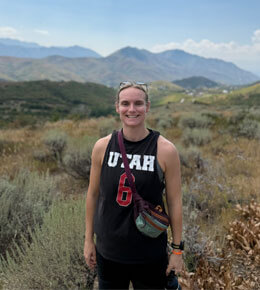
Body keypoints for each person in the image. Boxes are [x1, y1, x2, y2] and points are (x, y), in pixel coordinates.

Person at [84, 81, 183, 289]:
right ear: (117, 107)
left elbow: (175, 202)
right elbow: (93, 195)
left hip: (149, 256)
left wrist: (176, 251)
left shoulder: (165, 150)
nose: (131, 109)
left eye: (138, 103)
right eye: (125, 103)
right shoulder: (102, 147)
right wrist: (88, 240)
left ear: (147, 107)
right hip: (108, 253)